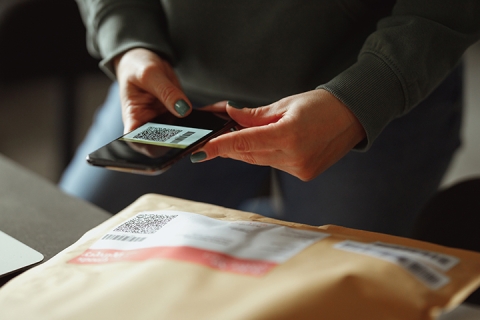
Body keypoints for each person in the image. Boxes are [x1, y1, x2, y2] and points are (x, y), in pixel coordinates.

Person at [60, 0, 480, 237]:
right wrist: (125, 40)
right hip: (172, 86)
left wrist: (369, 93)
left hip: (364, 93)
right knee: (64, 246)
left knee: (342, 299)